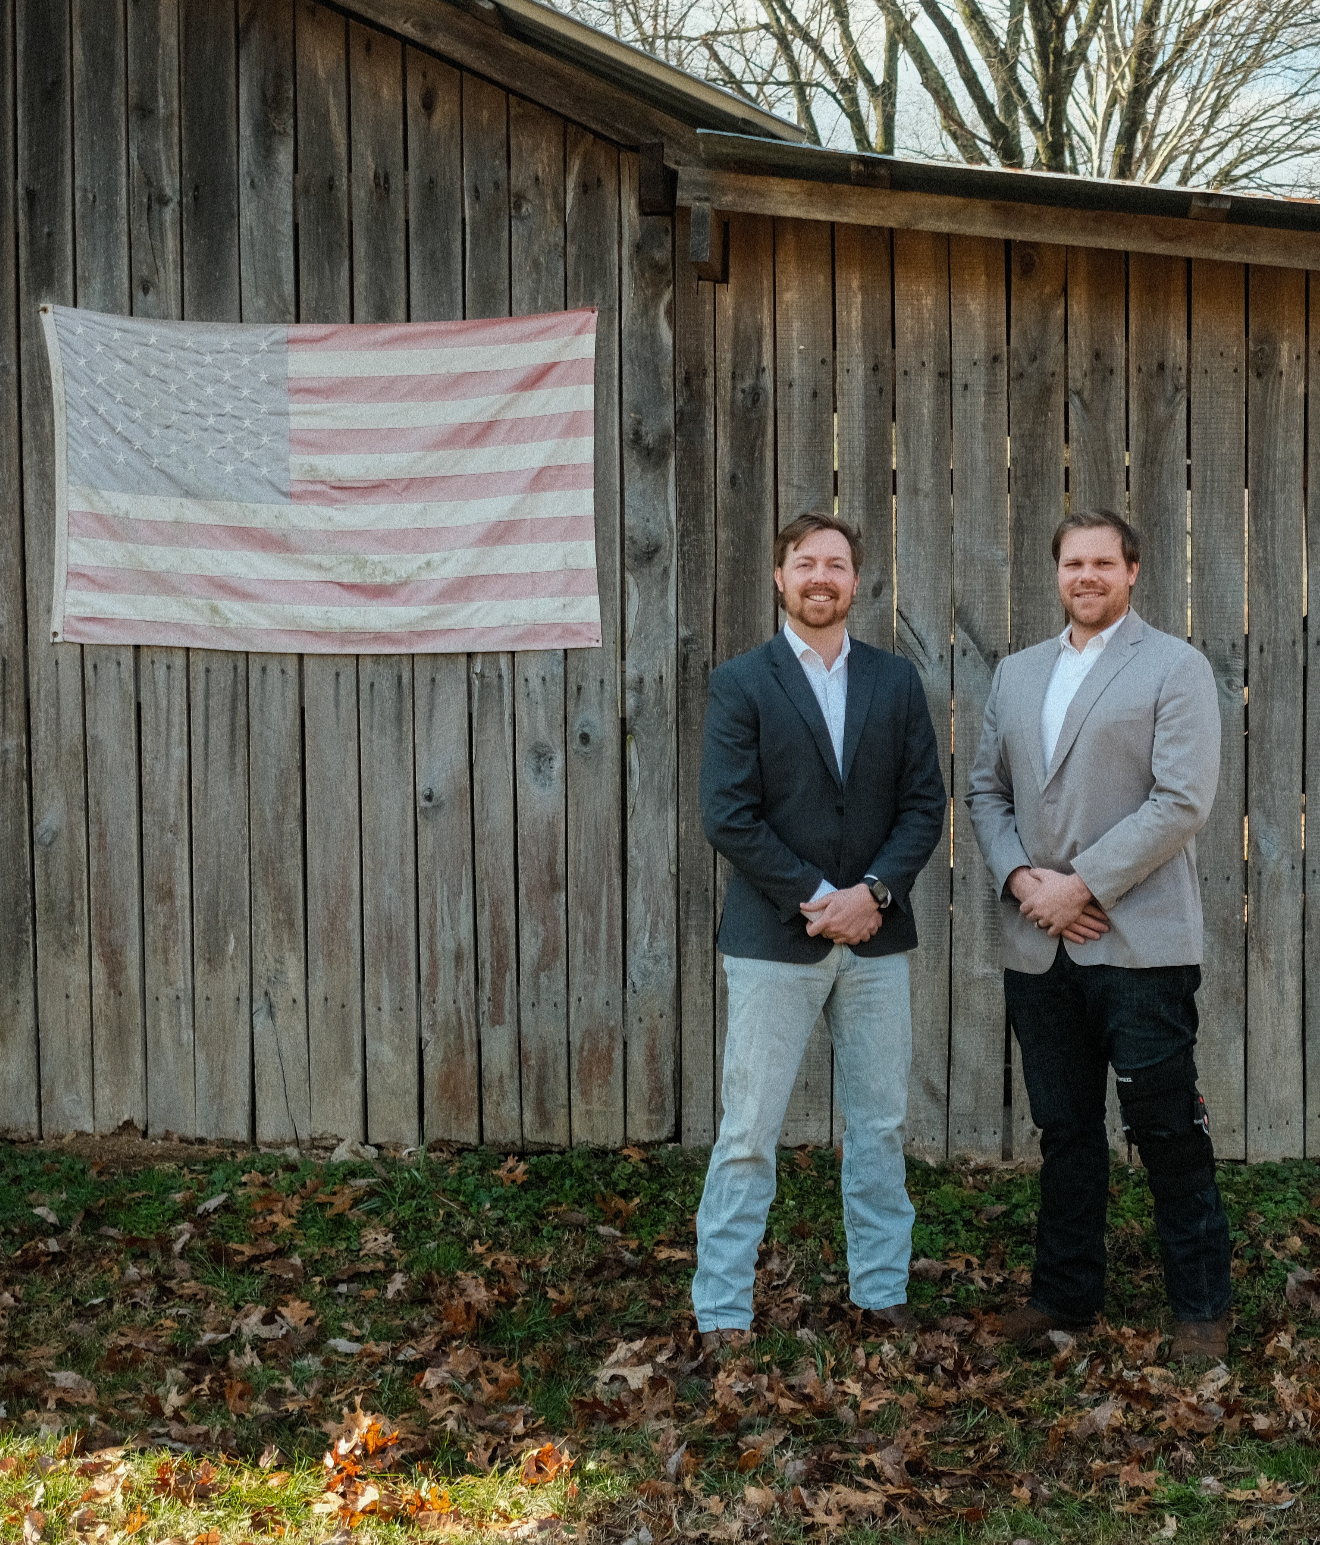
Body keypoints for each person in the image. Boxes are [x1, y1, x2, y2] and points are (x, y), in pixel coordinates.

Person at [966, 508, 1231, 1363]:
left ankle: (1200, 1308)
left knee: (1167, 1131)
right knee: (1065, 1131)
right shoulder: (1017, 673)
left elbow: (1181, 798)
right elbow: (986, 792)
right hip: (1038, 945)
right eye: (1073, 563)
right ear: (1057, 574)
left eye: (1103, 563)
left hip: (1140, 946)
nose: (1087, 576)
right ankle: (1063, 1298)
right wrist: (1022, 881)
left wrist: (1082, 885)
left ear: (1134, 570)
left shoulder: (1173, 666)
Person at [693, 511, 947, 1350]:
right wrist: (817, 896)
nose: (820, 578)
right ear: (780, 577)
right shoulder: (743, 682)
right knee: (748, 1132)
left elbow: (922, 805)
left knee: (877, 1126)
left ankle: (882, 1296)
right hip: (775, 940)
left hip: (876, 941)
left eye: (836, 564)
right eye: (805, 563)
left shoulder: (895, 681)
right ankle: (724, 1312)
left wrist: (872, 891)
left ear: (855, 581)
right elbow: (728, 815)